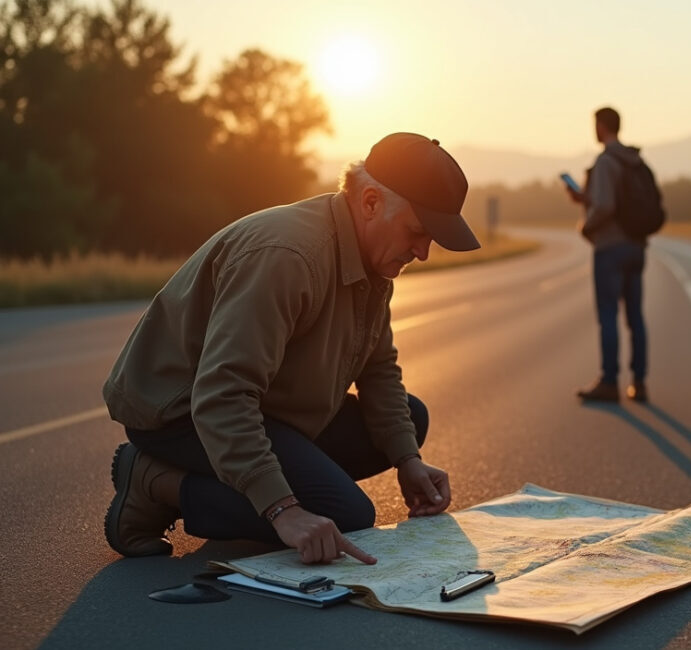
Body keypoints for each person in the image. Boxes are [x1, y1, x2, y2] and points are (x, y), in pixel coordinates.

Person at [101, 132, 480, 565]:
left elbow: (378, 370)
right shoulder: (289, 257)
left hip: (266, 406)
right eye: (417, 231)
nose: (423, 252)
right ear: (371, 202)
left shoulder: (374, 261)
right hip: (181, 411)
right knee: (346, 515)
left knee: (409, 420)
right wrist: (283, 509)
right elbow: (222, 394)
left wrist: (408, 461)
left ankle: (239, 481)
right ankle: (154, 480)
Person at [564, 106, 649, 403]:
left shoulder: (605, 161)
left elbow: (604, 206)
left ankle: (610, 381)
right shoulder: (635, 160)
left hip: (610, 248)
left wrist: (585, 227)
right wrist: (585, 199)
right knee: (635, 317)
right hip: (636, 247)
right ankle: (639, 382)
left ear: (601, 126)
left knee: (608, 315)